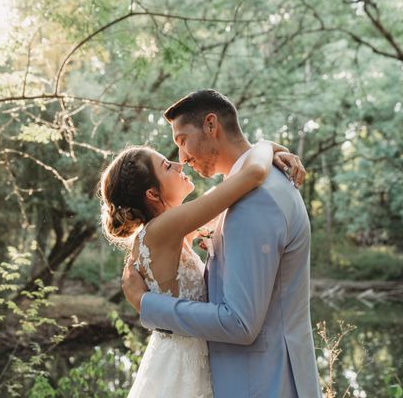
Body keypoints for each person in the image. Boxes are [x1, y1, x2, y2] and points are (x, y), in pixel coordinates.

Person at [120, 89, 322, 398]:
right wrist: (268, 147)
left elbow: (240, 323)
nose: (182, 159)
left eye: (182, 140)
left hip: (261, 382)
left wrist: (147, 305)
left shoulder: (254, 201)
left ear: (211, 125)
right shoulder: (258, 188)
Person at [100, 142, 299, 397]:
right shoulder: (163, 228)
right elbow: (251, 175)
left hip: (187, 357)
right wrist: (265, 146)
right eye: (167, 166)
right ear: (152, 193)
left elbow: (232, 191)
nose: (179, 164)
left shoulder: (167, 230)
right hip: (182, 366)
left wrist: (274, 153)